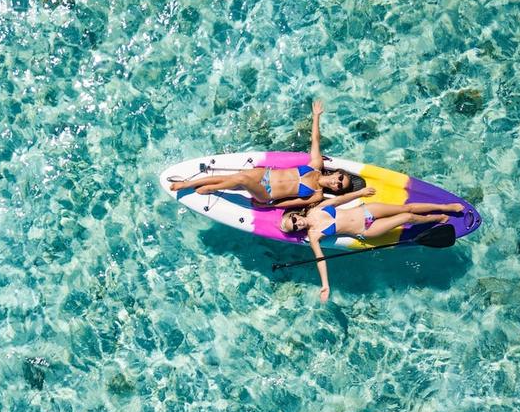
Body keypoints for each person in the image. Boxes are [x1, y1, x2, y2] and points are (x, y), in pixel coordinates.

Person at [280, 191, 464, 302]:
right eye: (295, 227)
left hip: (366, 210)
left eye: (294, 220)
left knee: (406, 208)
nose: (298, 224)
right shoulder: (313, 235)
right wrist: (325, 285)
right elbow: (320, 259)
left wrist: (360, 193)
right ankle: (436, 218)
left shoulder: (315, 209)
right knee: (407, 218)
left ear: (295, 214)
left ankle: (445, 207)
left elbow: (339, 200)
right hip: (367, 229)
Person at [169, 100, 354, 207]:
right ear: (336, 173)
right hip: (265, 174)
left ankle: (204, 187)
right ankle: (190, 184)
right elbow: (315, 139)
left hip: (268, 192)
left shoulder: (317, 194)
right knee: (231, 177)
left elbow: (293, 203)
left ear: (336, 190)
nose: (336, 183)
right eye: (340, 179)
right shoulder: (315, 166)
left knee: (240, 181)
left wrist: (268, 205)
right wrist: (316, 116)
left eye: (339, 186)